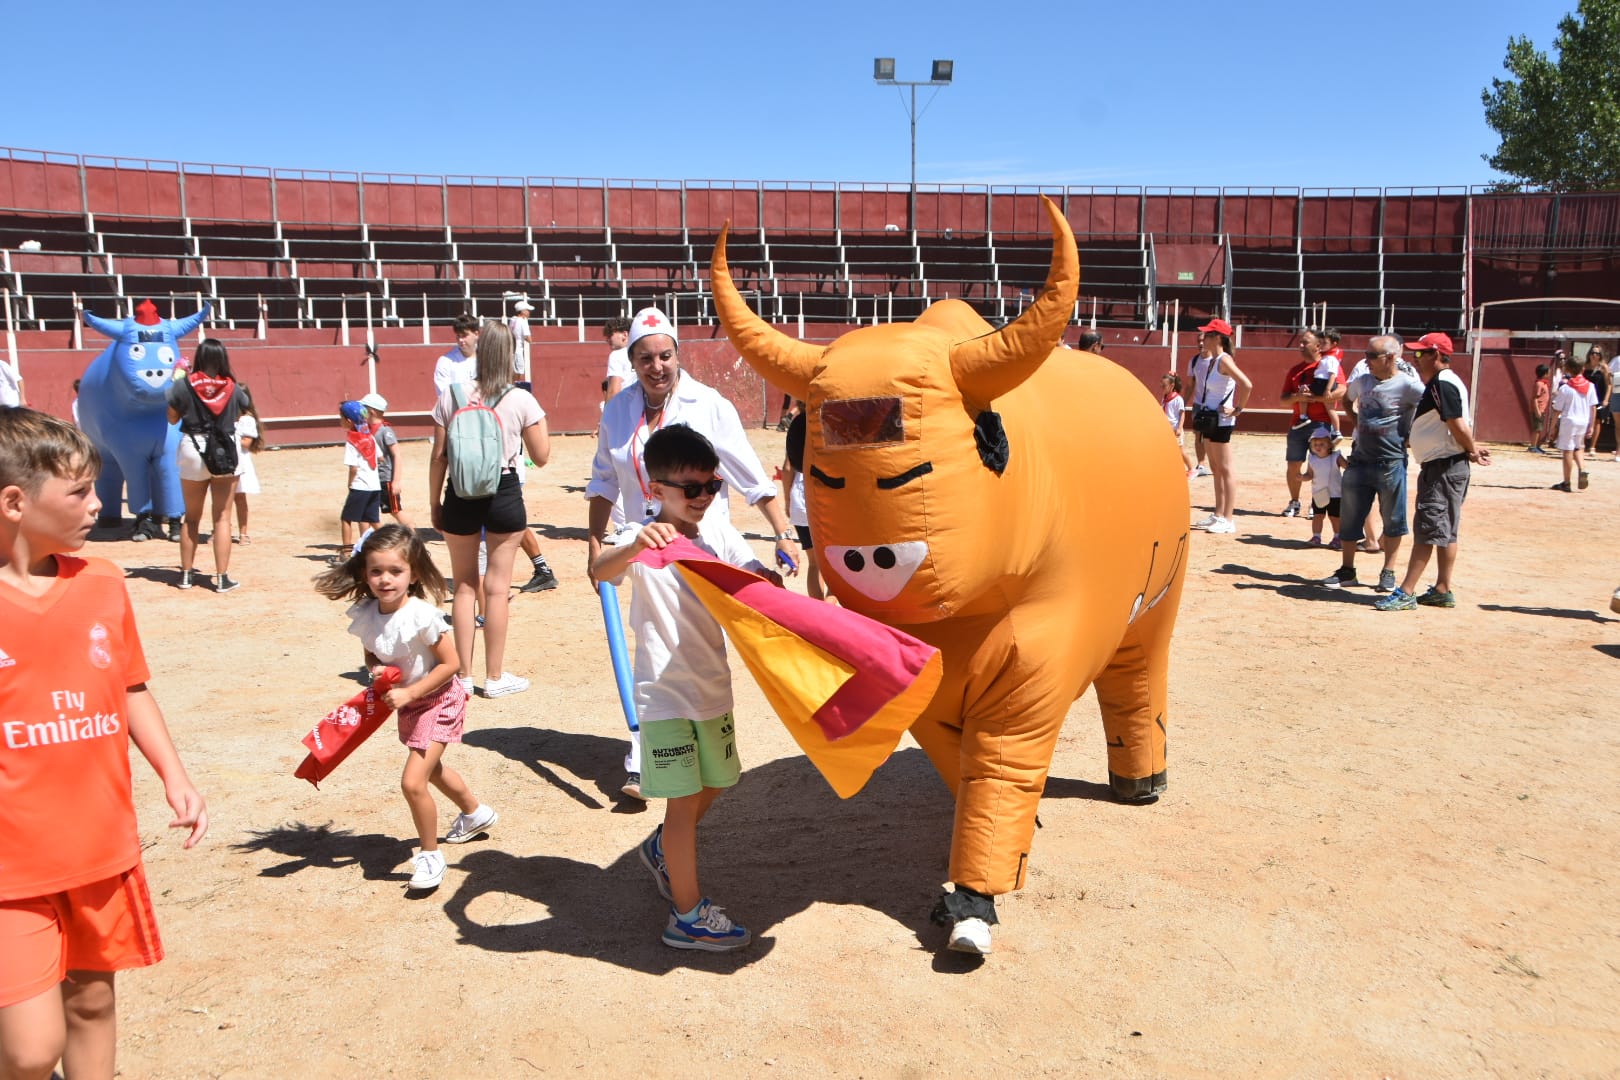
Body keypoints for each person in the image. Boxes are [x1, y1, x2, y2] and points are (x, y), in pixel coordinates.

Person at [0, 408, 207, 1080]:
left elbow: (129, 688)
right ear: (13, 502)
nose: (98, 503)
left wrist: (174, 775)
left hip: (97, 846)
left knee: (91, 1004)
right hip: (12, 866)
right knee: (31, 1051)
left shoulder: (103, 583)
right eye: (80, 492)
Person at [586, 307, 800, 798]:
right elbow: (603, 478)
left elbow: (747, 471)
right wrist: (597, 541)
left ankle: (692, 741)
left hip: (705, 542)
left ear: (677, 355)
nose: (656, 366)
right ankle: (647, 748)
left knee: (695, 640)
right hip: (641, 541)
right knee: (653, 636)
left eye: (664, 355)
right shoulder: (618, 410)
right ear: (631, 361)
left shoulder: (709, 404)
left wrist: (783, 531)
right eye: (645, 358)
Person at [591, 424, 781, 952]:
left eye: (711, 486)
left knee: (719, 781)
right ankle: (688, 915)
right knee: (681, 805)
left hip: (712, 688)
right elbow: (600, 572)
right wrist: (632, 546)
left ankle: (659, 851)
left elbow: (752, 576)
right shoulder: (643, 539)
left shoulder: (716, 531)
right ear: (655, 490)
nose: (703, 498)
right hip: (664, 696)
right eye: (690, 488)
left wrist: (769, 576)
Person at [314, 525, 497, 892]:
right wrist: (376, 670)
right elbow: (372, 648)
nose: (385, 580)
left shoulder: (421, 616)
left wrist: (410, 694)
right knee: (432, 770)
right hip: (409, 703)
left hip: (439, 700)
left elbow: (451, 664)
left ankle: (430, 856)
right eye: (376, 571)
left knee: (412, 782)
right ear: (364, 574)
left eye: (395, 571)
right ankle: (475, 813)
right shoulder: (367, 613)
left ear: (413, 574)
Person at [429, 321, 551, 698]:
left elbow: (439, 457)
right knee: (497, 590)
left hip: (460, 494)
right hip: (504, 492)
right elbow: (542, 457)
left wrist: (434, 504)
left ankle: (462, 676)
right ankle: (494, 678)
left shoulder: (452, 395)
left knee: (464, 586)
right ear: (511, 355)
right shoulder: (520, 398)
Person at [1376, 333, 1492, 611]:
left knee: (1428, 529)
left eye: (1420, 354)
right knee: (1446, 529)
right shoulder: (1447, 382)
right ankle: (1442, 588)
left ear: (1436, 355)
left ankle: (1406, 591)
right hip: (1447, 464)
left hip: (1443, 466)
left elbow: (1455, 422)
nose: (1416, 360)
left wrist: (1472, 449)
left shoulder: (1442, 382)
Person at [1321, 335, 1425, 592]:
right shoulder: (1364, 381)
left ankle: (1388, 572)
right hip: (1360, 458)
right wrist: (1355, 420)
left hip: (1390, 460)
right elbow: (1346, 398)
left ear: (1390, 358)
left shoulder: (1408, 386)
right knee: (1350, 516)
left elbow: (1430, 408)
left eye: (1371, 356)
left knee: (1393, 519)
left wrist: (1413, 434)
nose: (1366, 360)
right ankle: (1347, 570)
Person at [166, 339, 248, 592]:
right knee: (222, 518)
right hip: (223, 448)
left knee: (191, 518)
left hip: (192, 446)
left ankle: (187, 575)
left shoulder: (183, 385)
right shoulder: (233, 388)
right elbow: (240, 413)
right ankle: (222, 577)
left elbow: (171, 418)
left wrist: (176, 379)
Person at [1186, 318, 1252, 535]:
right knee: (1216, 468)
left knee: (1225, 468)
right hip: (1210, 418)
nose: (1203, 339)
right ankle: (1219, 513)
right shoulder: (1214, 360)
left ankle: (1228, 518)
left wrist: (1238, 409)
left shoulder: (1224, 360)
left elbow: (1246, 384)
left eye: (1207, 335)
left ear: (1217, 338)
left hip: (1222, 420)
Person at [1278, 329, 1346, 517]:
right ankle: (1294, 501)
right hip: (1298, 424)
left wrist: (1315, 398)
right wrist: (1297, 397)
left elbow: (1342, 390)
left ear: (1318, 345)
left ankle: (1316, 503)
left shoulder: (1328, 364)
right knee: (1293, 464)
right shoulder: (1295, 370)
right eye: (1300, 342)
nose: (1300, 346)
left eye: (1304, 342)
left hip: (1321, 424)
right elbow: (1283, 400)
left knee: (1321, 465)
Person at [781, 411, 826, 600]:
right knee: (837, 560)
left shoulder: (799, 424)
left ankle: (821, 610)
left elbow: (787, 468)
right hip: (827, 496)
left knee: (814, 563)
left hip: (801, 497)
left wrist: (787, 499)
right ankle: (831, 606)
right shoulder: (829, 420)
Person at [359, 393, 416, 533]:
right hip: (371, 479)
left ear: (371, 411)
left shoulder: (385, 431)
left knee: (395, 510)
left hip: (386, 479)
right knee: (365, 512)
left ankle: (414, 538)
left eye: (363, 408)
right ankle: (364, 543)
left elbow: (397, 455)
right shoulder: (366, 429)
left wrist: (396, 481)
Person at [1547, 352, 1597, 492]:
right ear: (1582, 369)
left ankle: (1567, 482)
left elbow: (1557, 410)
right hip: (1583, 420)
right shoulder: (1590, 386)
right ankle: (1582, 468)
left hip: (1569, 421)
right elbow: (1593, 407)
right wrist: (1591, 426)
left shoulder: (1565, 388)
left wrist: (1551, 429)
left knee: (1567, 451)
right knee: (1579, 447)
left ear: (1568, 370)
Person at [338, 401, 382, 553]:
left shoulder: (352, 441)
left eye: (341, 418)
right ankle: (395, 544)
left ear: (349, 421)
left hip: (360, 485)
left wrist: (350, 483)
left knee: (346, 518)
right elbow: (380, 458)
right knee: (373, 520)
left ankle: (346, 552)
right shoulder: (370, 437)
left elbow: (353, 468)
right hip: (374, 485)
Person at [1300, 425, 1346, 547]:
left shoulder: (1336, 456)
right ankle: (1316, 536)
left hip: (1335, 494)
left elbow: (1347, 466)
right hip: (1319, 493)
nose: (1318, 447)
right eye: (1315, 445)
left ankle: (1338, 537)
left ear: (1330, 445)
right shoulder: (1312, 459)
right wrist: (1302, 478)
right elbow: (1310, 474)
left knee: (1334, 517)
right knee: (1317, 516)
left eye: (1322, 444)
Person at [231, 384, 264, 544]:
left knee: (239, 498)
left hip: (240, 461)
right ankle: (220, 530)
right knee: (223, 499)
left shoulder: (247, 419)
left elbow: (246, 442)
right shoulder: (227, 416)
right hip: (227, 459)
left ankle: (243, 532)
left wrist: (229, 436)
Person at [432, 313, 480, 397]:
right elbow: (444, 397)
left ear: (476, 334)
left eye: (464, 335)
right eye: (458, 336)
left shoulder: (487, 359)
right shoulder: (445, 362)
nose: (461, 340)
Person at [1160, 372, 1196, 475]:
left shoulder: (1178, 399)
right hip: (1167, 429)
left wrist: (1180, 428)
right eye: (1161, 384)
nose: (1162, 387)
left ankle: (1191, 469)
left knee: (1180, 451)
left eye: (1164, 385)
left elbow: (1182, 414)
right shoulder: (1165, 398)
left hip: (1175, 429)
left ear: (1172, 385)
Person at [1583, 346, 1610, 454]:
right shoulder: (1585, 367)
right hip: (1585, 396)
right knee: (1584, 420)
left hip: (1599, 396)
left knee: (1597, 421)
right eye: (1593, 353)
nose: (1594, 355)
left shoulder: (1603, 367)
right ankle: (1582, 444)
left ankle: (1592, 446)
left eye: (1597, 353)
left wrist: (1606, 399)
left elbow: (1609, 384)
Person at [601, 316, 632, 404]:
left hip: (625, 407)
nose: (607, 340)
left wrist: (607, 415)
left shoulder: (616, 355)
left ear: (625, 335)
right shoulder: (643, 353)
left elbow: (614, 391)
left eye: (610, 335)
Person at [507, 300, 533, 393]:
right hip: (518, 348)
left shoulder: (512, 319)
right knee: (519, 370)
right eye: (527, 310)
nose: (529, 312)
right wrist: (531, 341)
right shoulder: (523, 321)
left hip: (510, 348)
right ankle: (515, 388)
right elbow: (528, 337)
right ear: (522, 311)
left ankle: (511, 386)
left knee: (513, 370)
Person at [1528, 364, 1552, 453]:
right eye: (1548, 372)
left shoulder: (1543, 383)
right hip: (1538, 410)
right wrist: (1537, 411)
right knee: (1536, 428)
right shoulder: (1539, 384)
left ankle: (1537, 446)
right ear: (1544, 374)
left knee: (1539, 428)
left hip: (1542, 409)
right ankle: (1533, 446)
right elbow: (1535, 398)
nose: (1550, 374)